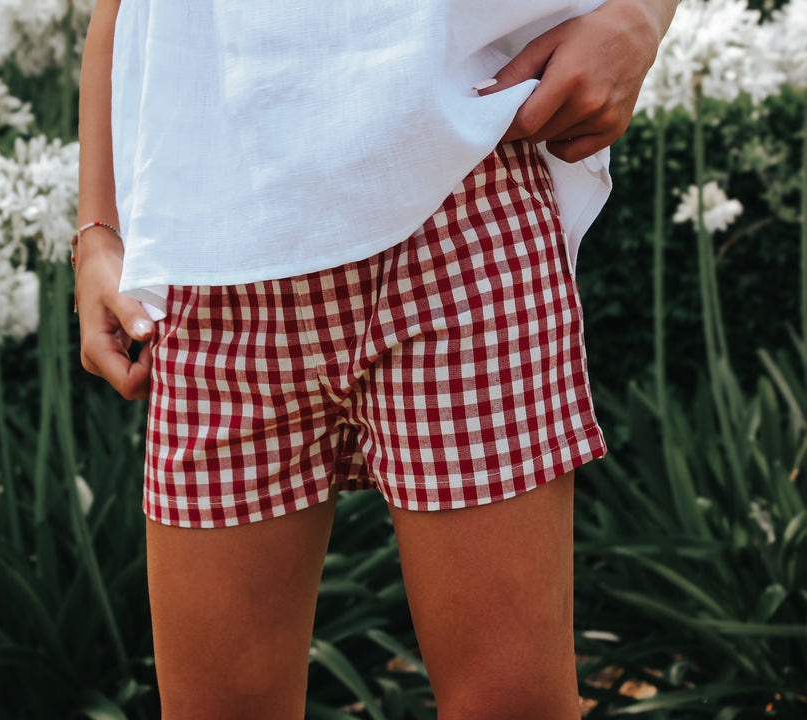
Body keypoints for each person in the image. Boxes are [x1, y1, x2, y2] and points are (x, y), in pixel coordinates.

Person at [75, 1, 678, 717]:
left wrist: (641, 16)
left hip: (459, 203)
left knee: (509, 705)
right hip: (215, 253)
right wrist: (97, 228)